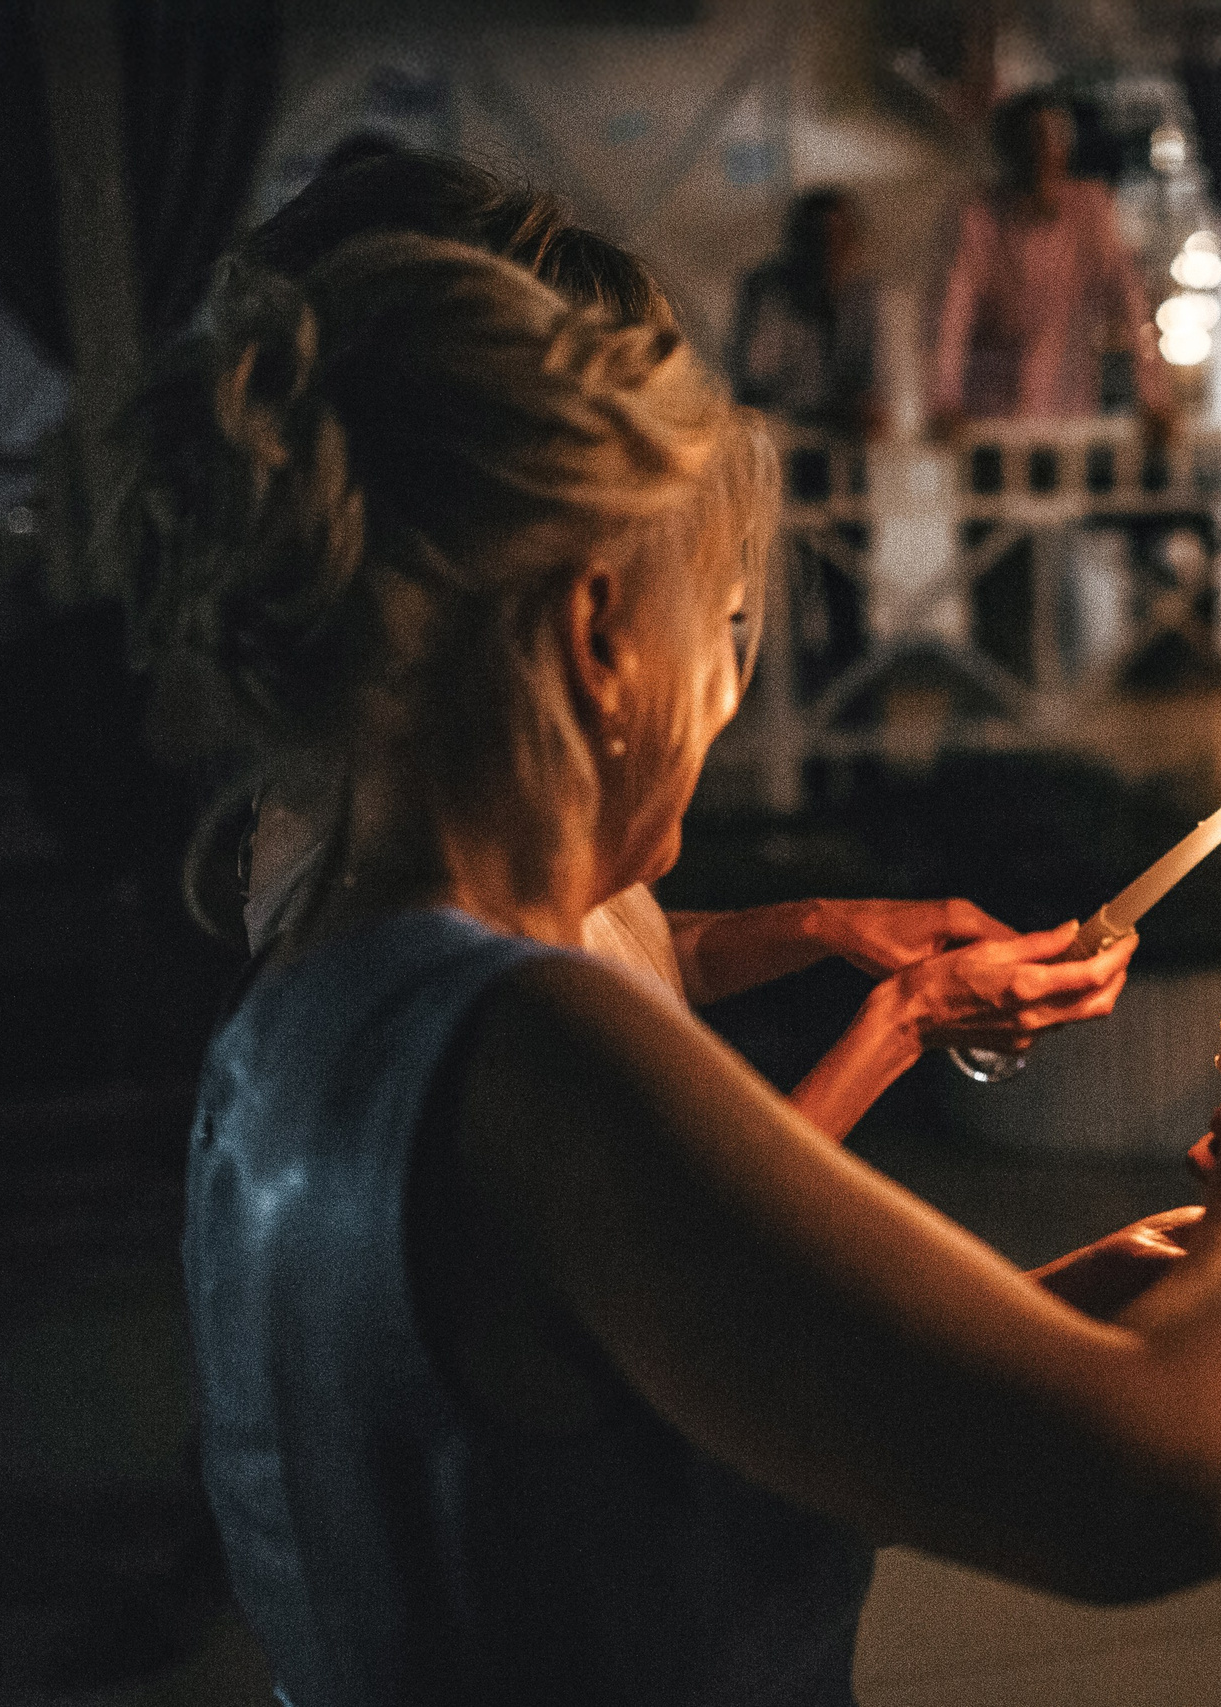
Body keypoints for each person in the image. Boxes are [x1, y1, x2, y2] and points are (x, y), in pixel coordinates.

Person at [136, 231, 1221, 1706]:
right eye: (721, 622)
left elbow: (676, 1423)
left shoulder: (304, 999)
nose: (727, 692)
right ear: (599, 628)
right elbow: (1164, 1489)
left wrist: (1149, 1279)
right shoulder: (532, 1045)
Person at [171, 149, 1114, 1142]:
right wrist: (906, 1020)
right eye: (705, 624)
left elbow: (640, 956)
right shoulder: (489, 996)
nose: (720, 694)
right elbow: (722, 1240)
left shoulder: (470, 823)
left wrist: (825, 924)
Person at [928, 91, 1171, 432]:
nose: (1045, 152)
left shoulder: (1090, 210)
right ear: (1012, 152)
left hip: (1066, 416)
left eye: (1054, 139)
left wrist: (1154, 395)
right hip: (990, 422)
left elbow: (1130, 303)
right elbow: (953, 313)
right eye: (1034, 141)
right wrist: (944, 399)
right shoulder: (980, 217)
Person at [729, 186, 882, 433]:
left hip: (844, 438)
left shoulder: (861, 296)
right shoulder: (767, 292)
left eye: (838, 239)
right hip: (781, 434)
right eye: (818, 239)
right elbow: (755, 376)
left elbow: (873, 378)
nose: (828, 251)